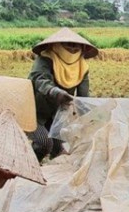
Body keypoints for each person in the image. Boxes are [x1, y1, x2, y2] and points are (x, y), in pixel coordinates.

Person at [28, 27, 99, 158]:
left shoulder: (81, 67)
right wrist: (56, 92)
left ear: (82, 48)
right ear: (56, 45)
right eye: (68, 45)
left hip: (58, 115)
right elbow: (40, 79)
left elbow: (84, 97)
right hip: (34, 112)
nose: (72, 48)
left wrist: (91, 119)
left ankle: (50, 167)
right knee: (44, 144)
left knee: (61, 148)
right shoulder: (45, 59)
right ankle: (29, 166)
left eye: (76, 45)